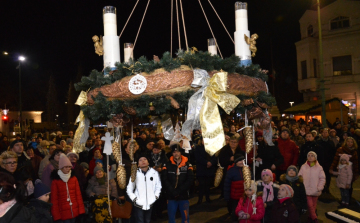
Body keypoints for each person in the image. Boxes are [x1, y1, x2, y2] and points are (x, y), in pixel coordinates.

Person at [162, 144, 194, 223]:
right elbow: (164, 179)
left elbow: (190, 179)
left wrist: (179, 191)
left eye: (178, 152)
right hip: (171, 196)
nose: (176, 154)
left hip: (183, 196)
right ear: (172, 153)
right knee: (171, 218)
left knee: (185, 218)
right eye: (174, 152)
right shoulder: (167, 164)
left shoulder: (187, 165)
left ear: (180, 153)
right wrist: (172, 191)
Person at [126, 154, 162, 223]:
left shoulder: (154, 173)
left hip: (150, 202)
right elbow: (129, 189)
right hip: (138, 203)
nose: (143, 161)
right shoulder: (134, 174)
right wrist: (134, 199)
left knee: (148, 220)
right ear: (138, 164)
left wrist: (155, 196)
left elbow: (158, 186)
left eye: (145, 159)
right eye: (140, 160)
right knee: (140, 221)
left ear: (148, 162)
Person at [50, 154, 85, 222]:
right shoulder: (56, 181)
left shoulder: (74, 178)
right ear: (61, 167)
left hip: (74, 211)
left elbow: (78, 195)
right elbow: (54, 199)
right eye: (66, 167)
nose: (68, 169)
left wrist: (81, 210)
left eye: (69, 167)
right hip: (63, 213)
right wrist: (56, 215)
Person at [298, 151, 326, 223]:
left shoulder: (319, 168)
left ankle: (310, 217)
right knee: (309, 205)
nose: (310, 157)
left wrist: (319, 188)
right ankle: (314, 218)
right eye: (309, 155)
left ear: (315, 158)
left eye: (312, 156)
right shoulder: (303, 167)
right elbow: (299, 176)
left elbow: (322, 178)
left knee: (313, 205)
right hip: (306, 190)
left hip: (315, 190)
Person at [194, 137, 217, 205]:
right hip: (202, 169)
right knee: (201, 185)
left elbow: (215, 157)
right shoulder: (198, 148)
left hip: (209, 169)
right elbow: (198, 158)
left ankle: (207, 198)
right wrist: (206, 163)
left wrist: (211, 162)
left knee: (208, 185)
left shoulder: (212, 148)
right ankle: (200, 199)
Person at [223, 154, 246, 221]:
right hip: (235, 197)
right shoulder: (231, 171)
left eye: (243, 160)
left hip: (244, 196)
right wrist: (226, 196)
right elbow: (227, 185)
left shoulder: (247, 170)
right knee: (235, 212)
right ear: (236, 162)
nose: (242, 162)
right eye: (239, 160)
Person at [317, 128, 336, 193]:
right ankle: (321, 187)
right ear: (322, 133)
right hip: (320, 161)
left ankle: (327, 187)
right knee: (320, 175)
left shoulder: (331, 142)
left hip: (328, 161)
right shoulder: (318, 142)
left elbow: (333, 152)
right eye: (324, 132)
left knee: (327, 175)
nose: (325, 134)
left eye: (326, 132)